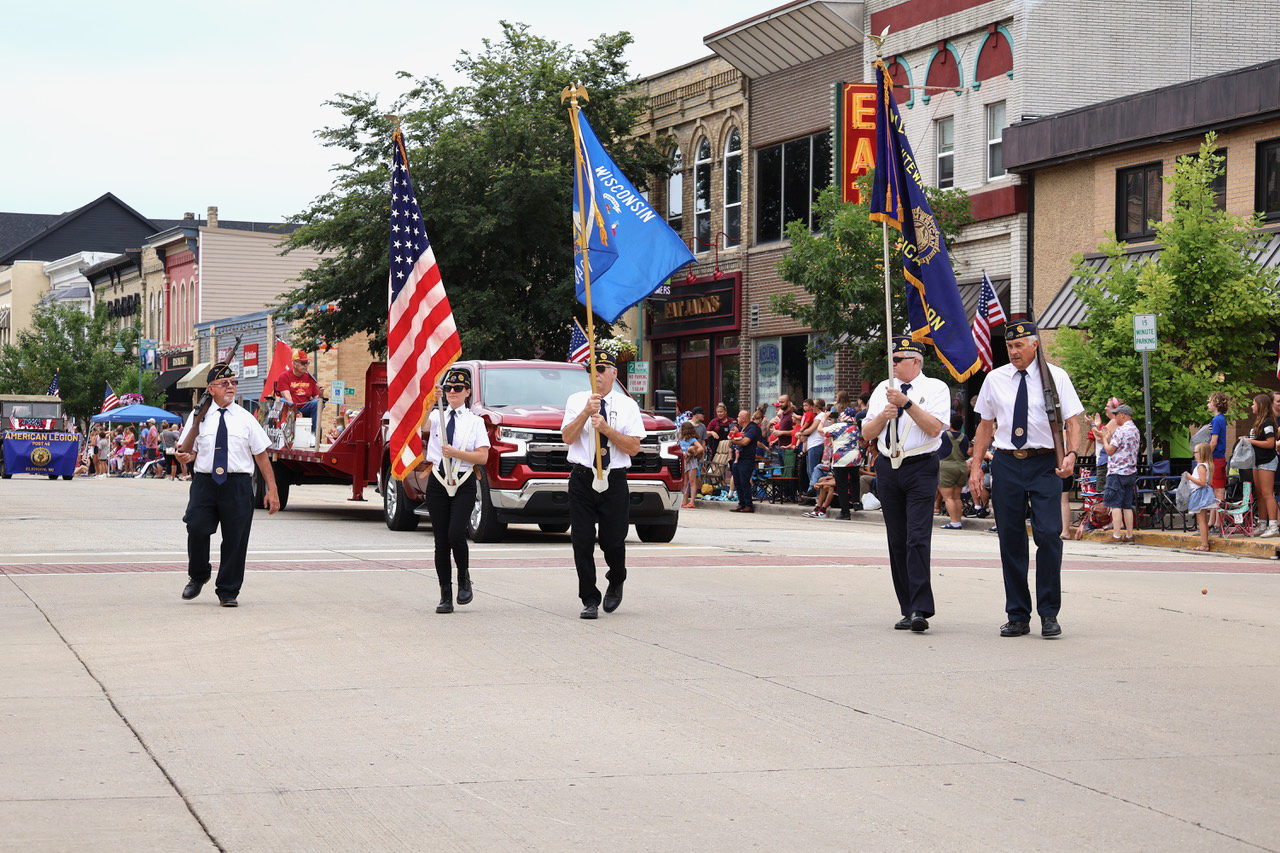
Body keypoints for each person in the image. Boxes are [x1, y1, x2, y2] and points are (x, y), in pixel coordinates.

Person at [969, 321, 1083, 638]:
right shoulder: (995, 379)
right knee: (1011, 539)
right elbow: (984, 427)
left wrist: (1072, 454)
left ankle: (1049, 613)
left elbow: (1073, 422)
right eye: (1009, 347)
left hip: (1046, 462)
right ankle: (1018, 614)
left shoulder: (1055, 377)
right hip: (1006, 462)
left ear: (1035, 345)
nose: (1014, 352)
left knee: (1048, 535)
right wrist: (976, 466)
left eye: (1019, 346)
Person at [862, 337, 950, 633]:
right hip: (888, 465)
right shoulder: (882, 388)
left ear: (916, 361)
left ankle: (920, 607)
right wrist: (883, 417)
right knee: (897, 540)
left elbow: (935, 428)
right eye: (892, 359)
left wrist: (906, 404)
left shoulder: (935, 388)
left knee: (917, 538)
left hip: (920, 466)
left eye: (899, 359)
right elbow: (866, 432)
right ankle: (907, 607)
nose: (894, 365)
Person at [175, 363, 280, 606]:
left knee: (236, 539)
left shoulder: (246, 418)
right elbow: (188, 452)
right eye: (225, 383)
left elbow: (261, 455)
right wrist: (184, 457)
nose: (230, 387)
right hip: (205, 483)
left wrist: (272, 490)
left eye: (233, 382)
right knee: (197, 527)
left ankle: (228, 591)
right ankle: (198, 575)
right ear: (210, 389)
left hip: (237, 484)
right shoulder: (197, 416)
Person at [561, 351, 644, 619]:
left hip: (614, 479)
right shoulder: (576, 401)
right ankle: (589, 597)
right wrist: (585, 413)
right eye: (591, 369)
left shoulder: (628, 405)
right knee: (582, 541)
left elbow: (633, 448)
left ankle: (617, 576)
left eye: (601, 368)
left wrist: (606, 429)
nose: (595, 374)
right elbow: (567, 438)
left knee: (613, 540)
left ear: (613, 374)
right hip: (583, 477)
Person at [423, 368, 492, 613]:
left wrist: (456, 454)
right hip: (439, 480)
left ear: (468, 392)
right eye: (449, 388)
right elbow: (419, 425)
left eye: (458, 389)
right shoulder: (436, 415)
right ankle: (445, 594)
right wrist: (430, 400)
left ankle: (463, 575)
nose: (453, 392)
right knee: (441, 541)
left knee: (455, 534)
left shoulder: (475, 422)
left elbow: (482, 456)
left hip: (463, 480)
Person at [1102, 404, 1141, 543]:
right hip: (1130, 471)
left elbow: (1109, 450)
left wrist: (1105, 439)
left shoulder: (1121, 431)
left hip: (1117, 471)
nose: (1115, 417)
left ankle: (1117, 535)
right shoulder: (1135, 430)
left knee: (1115, 504)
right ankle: (1130, 535)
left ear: (1123, 415)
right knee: (1127, 505)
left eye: (1117, 414)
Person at [1246, 392, 1278, 538]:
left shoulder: (1267, 422)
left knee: (1267, 493)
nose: (1251, 406)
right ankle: (1262, 523)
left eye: (1254, 403)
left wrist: (1250, 441)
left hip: (1267, 461)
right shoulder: (1258, 421)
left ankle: (1273, 525)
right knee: (1259, 494)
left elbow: (1270, 443)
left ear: (1260, 405)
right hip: (1256, 461)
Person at [274, 349, 324, 433]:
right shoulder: (284, 376)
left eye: (307, 363)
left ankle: (313, 435)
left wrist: (321, 392)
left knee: (317, 402)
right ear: (294, 363)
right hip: (290, 406)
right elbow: (288, 397)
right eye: (302, 363)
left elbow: (317, 400)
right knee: (283, 400)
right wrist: (295, 412)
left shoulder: (310, 378)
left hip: (305, 407)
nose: (305, 366)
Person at [825, 407, 862, 519]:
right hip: (855, 456)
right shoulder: (857, 427)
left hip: (840, 458)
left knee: (842, 485)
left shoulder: (837, 426)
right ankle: (856, 502)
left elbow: (821, 431)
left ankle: (845, 511)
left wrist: (824, 418)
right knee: (855, 480)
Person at [936, 414, 969, 530]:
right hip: (961, 466)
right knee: (957, 496)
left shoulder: (944, 435)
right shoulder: (964, 437)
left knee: (948, 497)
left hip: (946, 467)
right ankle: (958, 521)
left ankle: (954, 522)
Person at [728, 408, 762, 513]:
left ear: (743, 419)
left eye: (738, 416)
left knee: (744, 481)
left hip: (746, 459)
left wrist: (732, 441)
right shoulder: (741, 428)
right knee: (737, 482)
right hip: (737, 459)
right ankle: (741, 503)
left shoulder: (752, 428)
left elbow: (745, 442)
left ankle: (748, 504)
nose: (737, 418)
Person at [1185, 442, 1217, 551]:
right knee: (1202, 519)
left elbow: (1202, 482)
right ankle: (1204, 543)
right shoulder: (1206, 465)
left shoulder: (1201, 466)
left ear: (1201, 453)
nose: (1194, 454)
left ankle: (1204, 544)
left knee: (1202, 520)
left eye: (1196, 452)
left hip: (1200, 493)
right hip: (1202, 492)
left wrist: (1189, 477)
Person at [1207, 392, 1229, 534]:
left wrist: (1205, 454)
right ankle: (1212, 521)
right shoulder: (1220, 419)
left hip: (1216, 458)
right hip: (1218, 458)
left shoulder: (1217, 420)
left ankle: (1218, 522)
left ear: (1215, 403)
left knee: (1218, 491)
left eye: (1209, 402)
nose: (1208, 404)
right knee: (1215, 491)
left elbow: (1214, 442)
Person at [677, 421, 704, 509]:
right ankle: (684, 501)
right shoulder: (680, 440)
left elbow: (701, 448)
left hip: (691, 461)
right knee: (684, 482)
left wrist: (693, 453)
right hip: (684, 461)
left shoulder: (693, 440)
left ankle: (692, 501)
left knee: (692, 481)